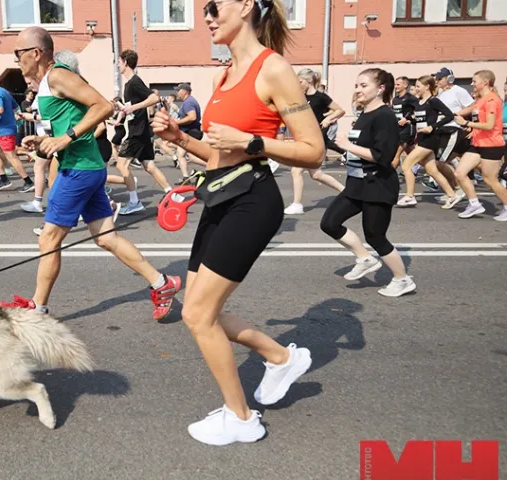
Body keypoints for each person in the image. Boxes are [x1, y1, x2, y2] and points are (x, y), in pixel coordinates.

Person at [151, 0, 322, 446]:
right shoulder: (222, 76)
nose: (206, 16)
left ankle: (242, 418)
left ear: (245, 6)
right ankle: (280, 357)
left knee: (197, 313)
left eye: (213, 6)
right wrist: (179, 138)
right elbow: (218, 156)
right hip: (221, 195)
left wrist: (253, 140)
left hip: (253, 200)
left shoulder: (274, 69)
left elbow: (314, 151)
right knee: (201, 307)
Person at [0, 26, 181, 322]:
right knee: (106, 238)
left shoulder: (58, 74)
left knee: (48, 239)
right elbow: (68, 120)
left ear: (36, 53)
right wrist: (44, 141)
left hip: (78, 170)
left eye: (18, 53)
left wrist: (66, 138)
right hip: (88, 167)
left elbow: (104, 106)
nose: (16, 58)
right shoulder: (49, 81)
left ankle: (38, 308)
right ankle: (163, 284)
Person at [320, 69, 416, 297]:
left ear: (380, 88)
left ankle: (402, 279)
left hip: (378, 185)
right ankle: (364, 258)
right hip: (357, 183)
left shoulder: (384, 116)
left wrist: (348, 146)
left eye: (363, 85)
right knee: (330, 223)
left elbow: (383, 156)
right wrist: (348, 154)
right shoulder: (365, 114)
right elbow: (361, 149)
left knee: (375, 235)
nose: (357, 90)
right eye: (356, 85)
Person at [116, 49, 173, 215]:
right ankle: (172, 194)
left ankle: (134, 201)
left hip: (137, 132)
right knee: (149, 165)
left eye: (119, 62)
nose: (118, 65)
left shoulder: (134, 82)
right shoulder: (128, 84)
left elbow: (154, 98)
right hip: (140, 130)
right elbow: (129, 108)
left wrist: (133, 107)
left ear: (125, 62)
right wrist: (119, 119)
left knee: (121, 164)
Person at [284, 68, 346, 215]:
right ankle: (346, 192)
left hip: (316, 139)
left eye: (300, 82)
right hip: (304, 138)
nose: (298, 85)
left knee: (296, 170)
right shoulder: (301, 97)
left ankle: (297, 204)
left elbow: (340, 110)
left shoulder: (321, 97)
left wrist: (327, 118)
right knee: (316, 175)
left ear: (309, 80)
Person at [396, 76, 459, 208]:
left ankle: (409, 196)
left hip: (431, 139)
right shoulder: (418, 103)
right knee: (432, 170)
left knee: (406, 166)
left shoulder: (433, 101)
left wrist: (433, 127)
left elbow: (449, 115)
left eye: (418, 86)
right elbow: (419, 120)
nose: (416, 89)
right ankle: (452, 195)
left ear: (427, 87)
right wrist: (410, 120)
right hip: (421, 138)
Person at [452, 70, 507, 221]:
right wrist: (452, 115)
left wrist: (467, 123)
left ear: (485, 82)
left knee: (490, 180)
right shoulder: (480, 100)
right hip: (477, 144)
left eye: (474, 81)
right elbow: (470, 110)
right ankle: (474, 204)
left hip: (492, 145)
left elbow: (489, 126)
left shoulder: (492, 100)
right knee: (459, 173)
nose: (472, 84)